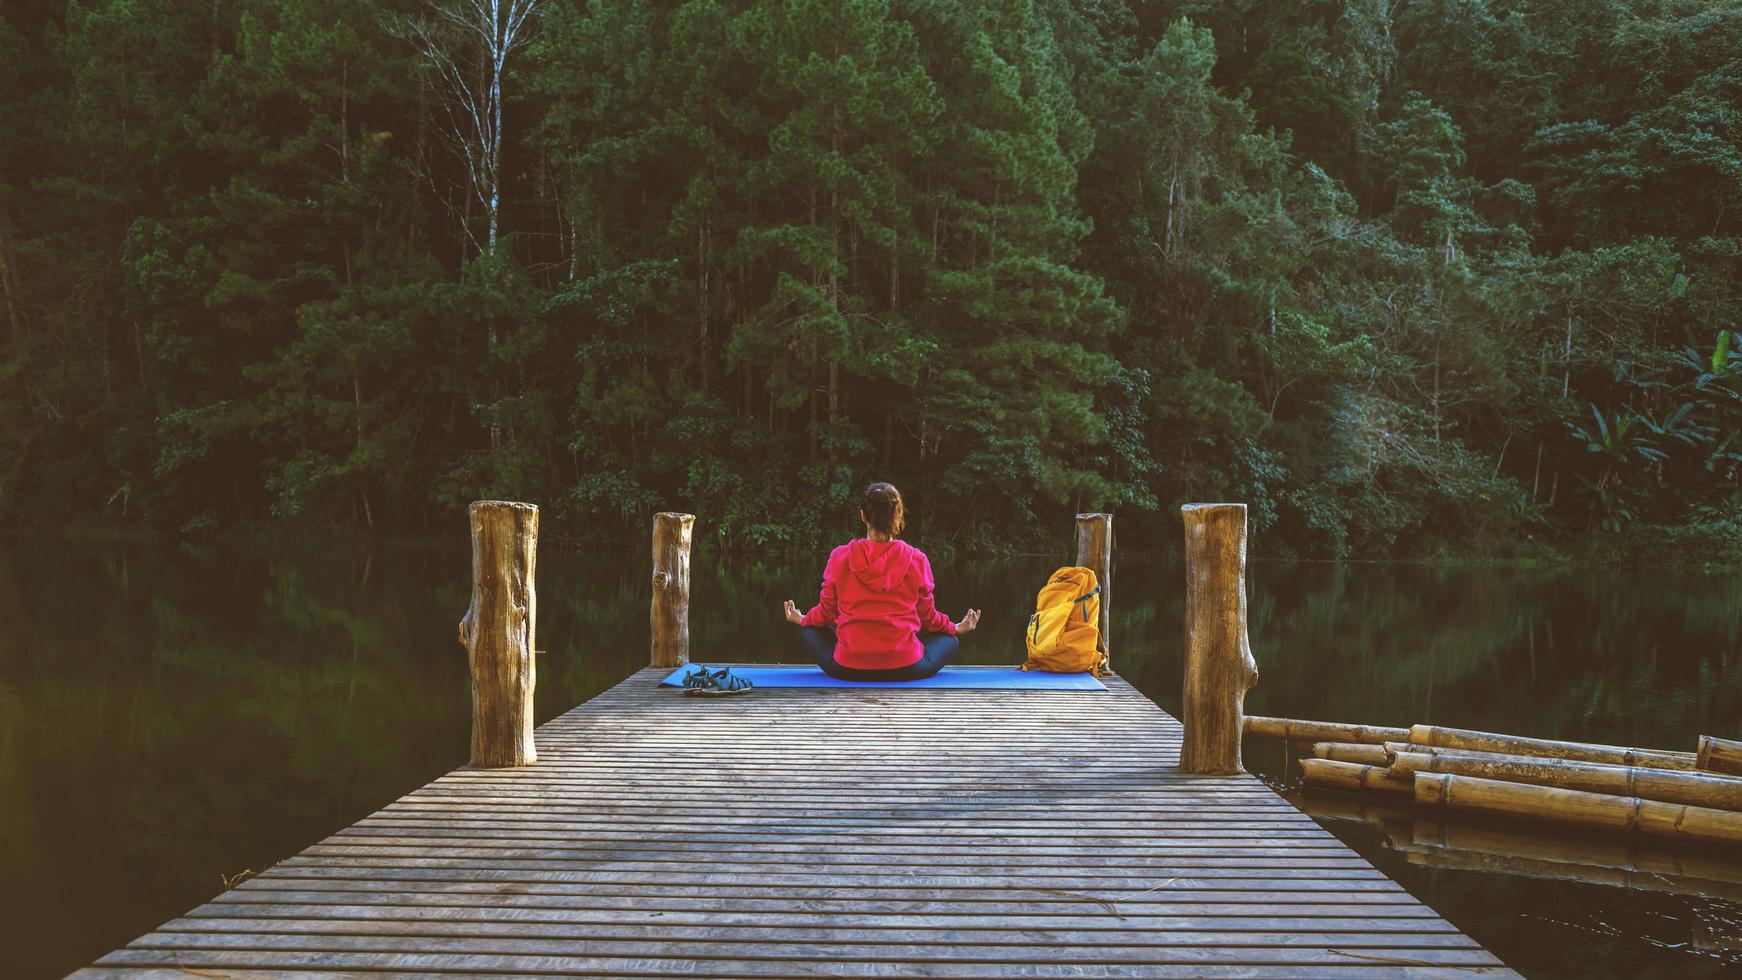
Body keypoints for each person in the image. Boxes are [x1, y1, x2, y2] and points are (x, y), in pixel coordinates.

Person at [783, 482, 980, 681]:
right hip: (905, 666)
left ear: (863, 516)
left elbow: (826, 613)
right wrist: (955, 627)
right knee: (949, 640)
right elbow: (928, 618)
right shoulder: (917, 559)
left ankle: (856, 651)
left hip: (848, 668)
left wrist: (802, 619)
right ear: (898, 516)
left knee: (809, 631)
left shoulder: (839, 557)